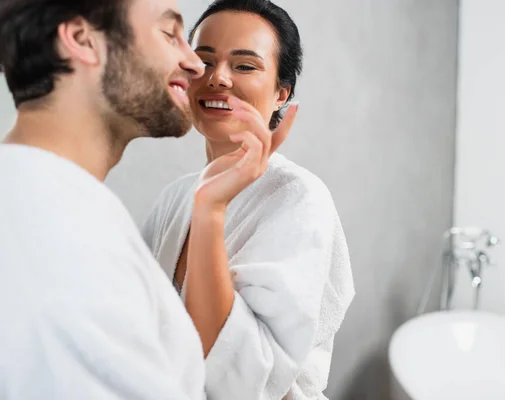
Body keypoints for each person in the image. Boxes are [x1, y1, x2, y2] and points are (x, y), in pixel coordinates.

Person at [0, 0, 294, 398]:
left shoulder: (55, 208)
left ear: (282, 92)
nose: (195, 67)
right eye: (170, 34)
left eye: (243, 65)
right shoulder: (61, 249)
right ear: (83, 40)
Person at [141, 0, 355, 398]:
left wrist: (211, 210)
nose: (218, 78)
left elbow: (243, 381)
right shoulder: (175, 198)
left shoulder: (298, 198)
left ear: (280, 93)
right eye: (204, 61)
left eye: (244, 65)